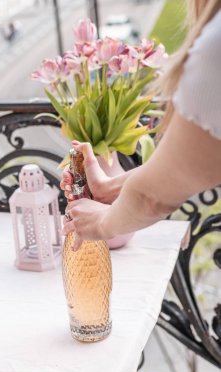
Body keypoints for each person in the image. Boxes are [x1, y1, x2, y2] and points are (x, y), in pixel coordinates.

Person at [61, 0, 221, 251]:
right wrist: (109, 187)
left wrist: (101, 223)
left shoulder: (215, 48)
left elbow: (154, 198)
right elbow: (185, 166)